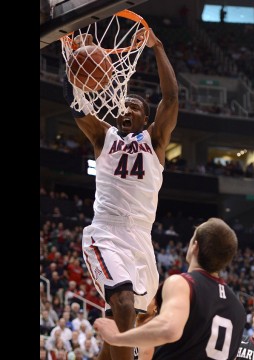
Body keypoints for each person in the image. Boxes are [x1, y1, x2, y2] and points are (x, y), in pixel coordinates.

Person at [62, 26, 179, 360]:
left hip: (141, 238)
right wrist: (72, 60)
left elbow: (171, 98)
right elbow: (75, 105)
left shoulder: (156, 141)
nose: (124, 111)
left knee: (118, 326)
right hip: (107, 232)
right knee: (124, 303)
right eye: (122, 106)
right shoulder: (104, 137)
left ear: (146, 117)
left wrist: (157, 45)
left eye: (133, 107)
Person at [94, 218, 246, 360]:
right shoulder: (239, 309)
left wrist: (117, 338)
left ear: (195, 247)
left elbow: (169, 329)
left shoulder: (183, 283)